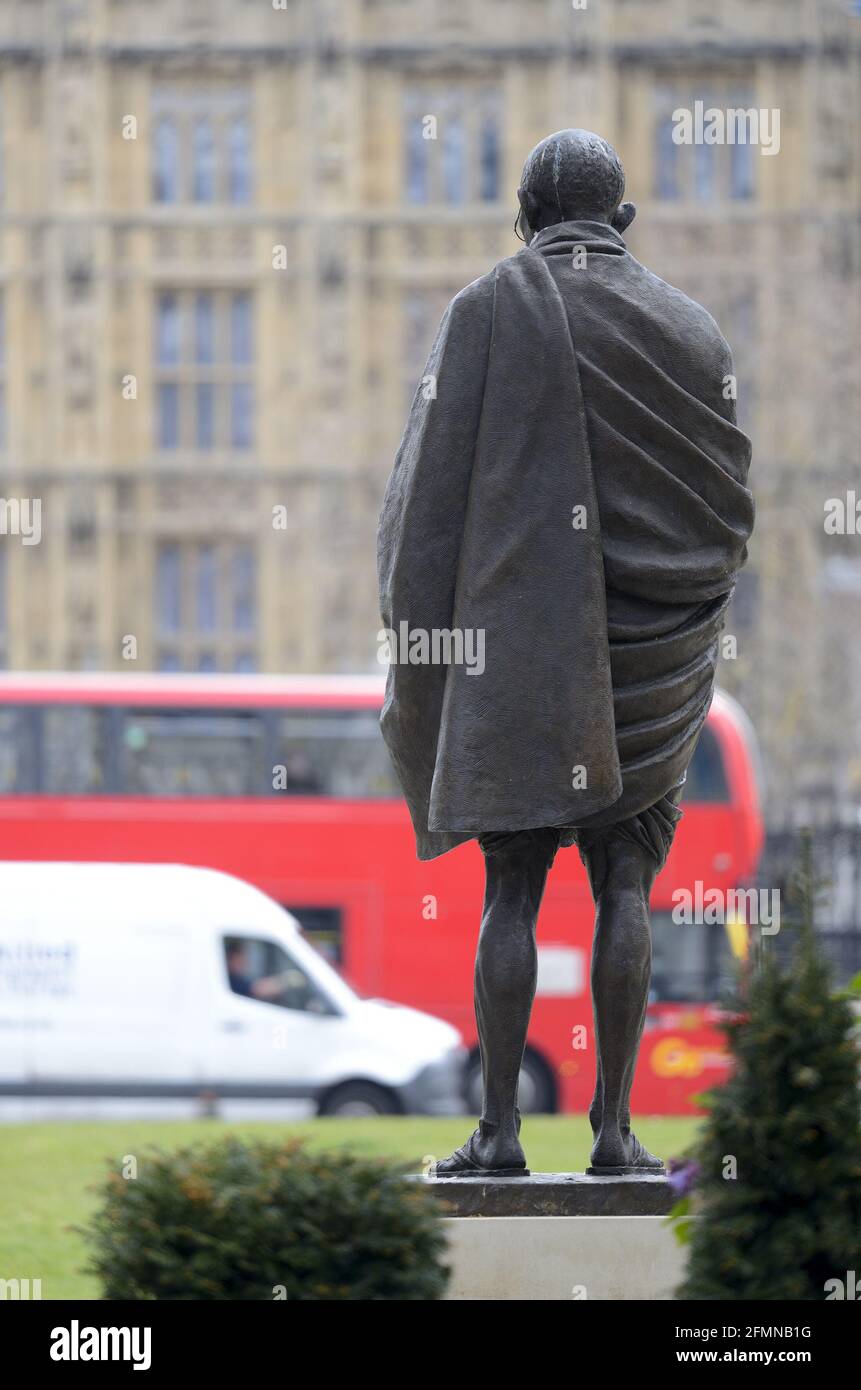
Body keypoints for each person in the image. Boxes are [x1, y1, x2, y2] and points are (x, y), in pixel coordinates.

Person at [377, 129, 754, 1176]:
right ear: (620, 219)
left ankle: (499, 1137)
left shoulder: (488, 310)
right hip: (659, 661)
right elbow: (728, 515)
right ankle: (616, 1135)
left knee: (512, 891)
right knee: (627, 888)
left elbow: (425, 509)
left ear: (527, 215)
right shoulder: (693, 329)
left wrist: (420, 647)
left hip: (525, 658)